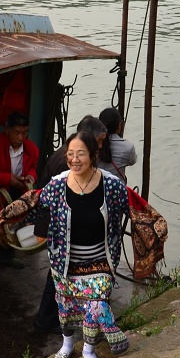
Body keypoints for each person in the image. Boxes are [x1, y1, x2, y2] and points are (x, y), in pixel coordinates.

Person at [0, 132, 131, 358]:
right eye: (70, 154)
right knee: (66, 308)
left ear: (94, 156)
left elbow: (135, 208)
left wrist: (152, 228)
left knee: (96, 304)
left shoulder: (112, 185)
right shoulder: (56, 186)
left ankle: (89, 348)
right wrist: (4, 216)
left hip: (100, 259)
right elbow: (32, 205)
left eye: (81, 154)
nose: (75, 159)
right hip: (65, 261)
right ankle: (66, 346)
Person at [33, 114, 108, 333]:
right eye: (100, 142)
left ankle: (56, 318)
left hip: (63, 225)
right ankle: (45, 321)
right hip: (57, 225)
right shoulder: (64, 163)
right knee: (58, 274)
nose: (102, 146)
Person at [0, 112, 39, 299]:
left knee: (12, 230)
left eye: (25, 133)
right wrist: (6, 178)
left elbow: (33, 167)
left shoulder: (31, 149)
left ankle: (8, 256)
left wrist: (31, 177)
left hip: (13, 199)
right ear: (7, 130)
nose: (21, 138)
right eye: (17, 133)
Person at [97, 107, 138, 181]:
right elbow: (132, 161)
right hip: (118, 190)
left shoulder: (91, 146)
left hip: (95, 189)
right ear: (119, 126)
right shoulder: (128, 147)